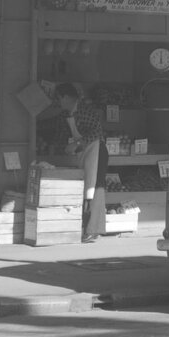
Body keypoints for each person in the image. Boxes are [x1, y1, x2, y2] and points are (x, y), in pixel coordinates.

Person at [48, 83, 107, 243]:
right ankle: (83, 228)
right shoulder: (66, 114)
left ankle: (93, 230)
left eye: (59, 98)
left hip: (97, 152)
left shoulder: (85, 111)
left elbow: (97, 132)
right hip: (83, 154)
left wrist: (78, 144)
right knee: (83, 189)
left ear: (66, 97)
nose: (58, 102)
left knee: (95, 189)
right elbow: (57, 129)